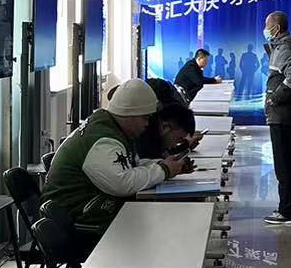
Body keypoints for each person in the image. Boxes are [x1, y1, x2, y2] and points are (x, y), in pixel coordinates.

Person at [41, 79, 191, 257]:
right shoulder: (103, 141)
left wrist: (165, 165)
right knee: (151, 227)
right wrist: (164, 170)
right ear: (130, 114)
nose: (147, 124)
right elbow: (123, 183)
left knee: (152, 219)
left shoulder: (113, 129)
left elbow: (132, 165)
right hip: (76, 221)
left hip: (83, 207)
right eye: (145, 118)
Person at [261, 10, 291, 223]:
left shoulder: (284, 48)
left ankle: (287, 210)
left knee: (284, 164)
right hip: (286, 114)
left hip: (283, 115)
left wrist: (275, 98)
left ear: (276, 28)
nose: (265, 30)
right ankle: (290, 208)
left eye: (267, 26)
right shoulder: (285, 46)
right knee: (288, 163)